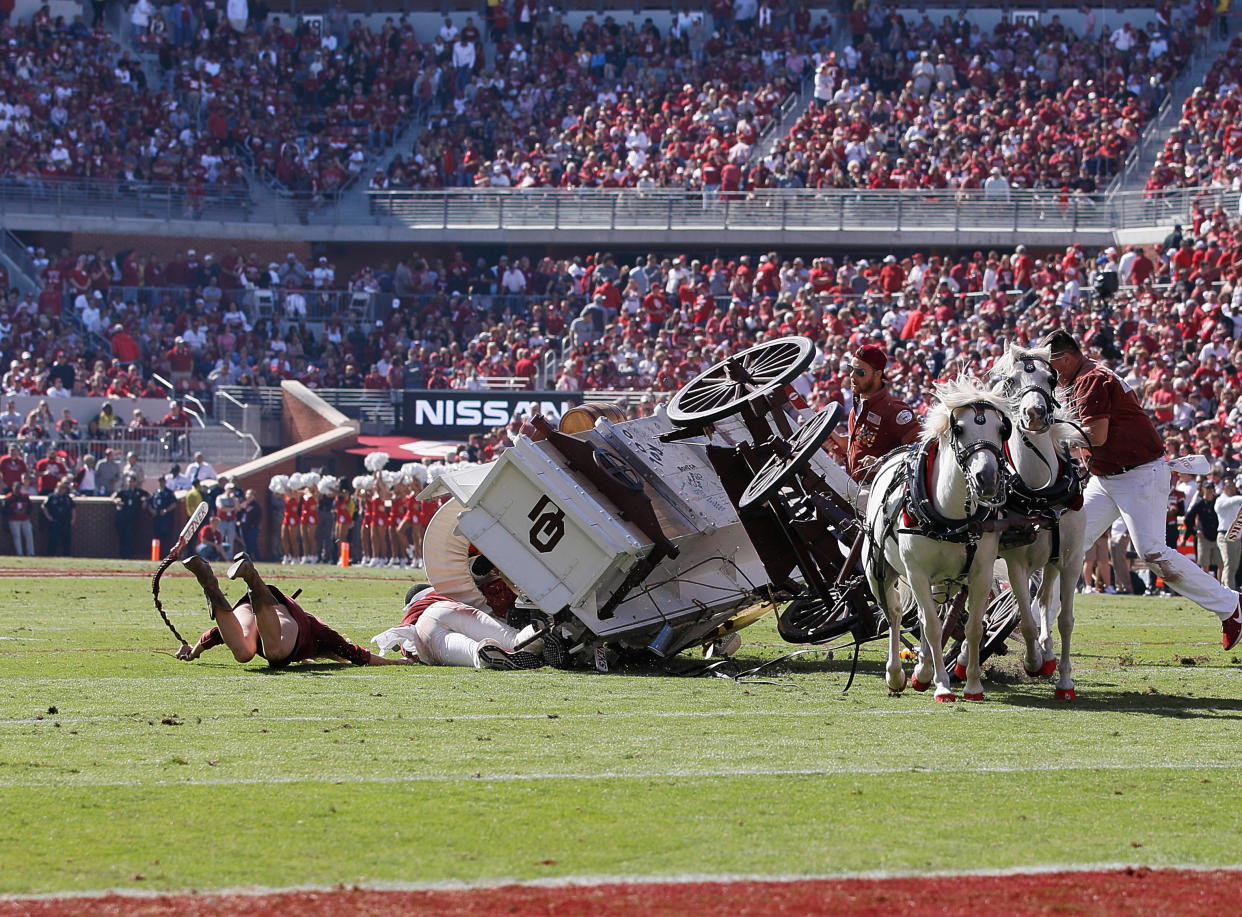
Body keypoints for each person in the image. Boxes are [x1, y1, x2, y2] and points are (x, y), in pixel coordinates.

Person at [1043, 329, 1242, 648]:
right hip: (1109, 477)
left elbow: (1097, 435)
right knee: (1067, 545)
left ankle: (1232, 606)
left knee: (1152, 552)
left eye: (1051, 364)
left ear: (1065, 360)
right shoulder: (1085, 375)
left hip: (1138, 474)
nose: (1050, 372)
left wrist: (1052, 436)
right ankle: (1043, 628)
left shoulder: (1090, 379)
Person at [175, 553, 411, 667]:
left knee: (244, 652)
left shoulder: (316, 631)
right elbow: (356, 654)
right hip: (278, 612)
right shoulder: (316, 629)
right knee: (276, 653)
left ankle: (209, 583)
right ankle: (252, 579)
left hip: (251, 609)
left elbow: (217, 635)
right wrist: (396, 663)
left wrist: (192, 652)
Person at [371, 583, 543, 670]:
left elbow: (408, 640)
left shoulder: (413, 611)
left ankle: (485, 653)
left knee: (474, 653)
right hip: (448, 608)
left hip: (424, 628)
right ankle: (543, 630)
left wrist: (410, 655)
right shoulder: (444, 590)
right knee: (513, 639)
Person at [831, 345, 919, 481]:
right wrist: (835, 439)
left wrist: (883, 462)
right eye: (850, 369)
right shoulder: (858, 404)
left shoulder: (894, 410)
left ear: (878, 374)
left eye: (860, 372)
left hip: (880, 491)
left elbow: (919, 446)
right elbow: (862, 445)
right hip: (853, 485)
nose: (852, 375)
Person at [1184, 480, 1222, 577]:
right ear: (1203, 489)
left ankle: (1220, 586)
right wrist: (1195, 530)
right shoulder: (1199, 503)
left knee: (1221, 564)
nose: (1209, 490)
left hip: (1217, 535)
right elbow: (1188, 518)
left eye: (1211, 488)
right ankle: (1206, 589)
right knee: (1205, 564)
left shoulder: (1218, 501)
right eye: (1207, 488)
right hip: (1204, 536)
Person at [112, 474, 149, 558]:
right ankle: (122, 555)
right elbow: (114, 496)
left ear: (135, 482)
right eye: (129, 482)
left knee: (131, 537)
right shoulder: (124, 491)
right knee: (122, 537)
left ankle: (130, 555)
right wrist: (116, 500)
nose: (130, 483)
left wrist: (145, 501)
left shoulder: (138, 492)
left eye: (132, 482)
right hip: (123, 518)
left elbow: (149, 495)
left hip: (133, 519)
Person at [1215, 478, 1242, 589]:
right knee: (1229, 565)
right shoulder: (1221, 500)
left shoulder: (1236, 502)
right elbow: (1231, 502)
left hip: (1236, 536)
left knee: (1234, 566)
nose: (1231, 488)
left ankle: (1225, 590)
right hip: (1225, 535)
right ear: (1223, 488)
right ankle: (1230, 591)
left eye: (1233, 486)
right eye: (1229, 486)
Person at [41, 478, 75, 556]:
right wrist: (48, 517)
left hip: (65, 522)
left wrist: (73, 519)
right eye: (61, 488)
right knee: (53, 539)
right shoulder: (52, 496)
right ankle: (51, 555)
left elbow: (73, 508)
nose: (62, 490)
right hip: (55, 522)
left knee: (66, 540)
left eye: (63, 488)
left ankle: (66, 555)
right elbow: (44, 506)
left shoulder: (67, 498)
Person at [150, 475, 179, 555]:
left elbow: (174, 503)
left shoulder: (169, 492)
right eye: (160, 482)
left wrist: (166, 510)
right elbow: (150, 503)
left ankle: (165, 554)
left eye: (162, 481)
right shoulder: (155, 493)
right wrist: (152, 510)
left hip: (165, 518)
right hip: (157, 517)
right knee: (156, 537)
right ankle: (156, 554)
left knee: (165, 537)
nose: (161, 483)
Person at [3, 481, 33, 556]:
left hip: (25, 519)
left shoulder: (25, 496)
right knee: (17, 537)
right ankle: (19, 553)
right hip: (14, 520)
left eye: (19, 488)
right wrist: (13, 511)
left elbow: (30, 507)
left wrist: (25, 511)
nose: (17, 490)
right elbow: (4, 510)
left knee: (29, 535)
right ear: (13, 488)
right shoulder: (8, 497)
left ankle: (31, 553)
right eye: (16, 488)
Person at [239, 488, 263, 560]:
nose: (249, 496)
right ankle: (247, 559)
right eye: (248, 494)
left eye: (251, 495)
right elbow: (239, 514)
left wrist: (254, 525)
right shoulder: (243, 504)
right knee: (245, 544)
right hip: (243, 527)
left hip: (252, 528)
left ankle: (258, 559)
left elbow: (259, 517)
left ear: (254, 496)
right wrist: (238, 521)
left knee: (252, 543)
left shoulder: (256, 506)